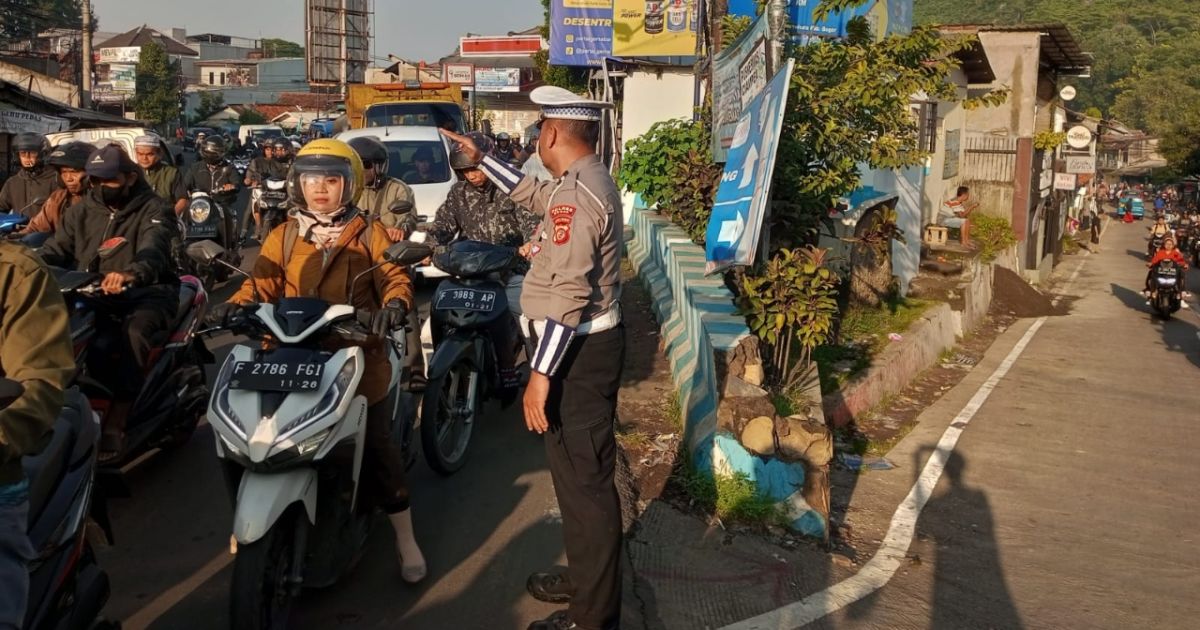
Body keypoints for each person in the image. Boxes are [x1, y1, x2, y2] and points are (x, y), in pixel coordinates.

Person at [443, 85, 624, 630]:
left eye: (537, 131)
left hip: (578, 356)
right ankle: (587, 577)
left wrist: (540, 376)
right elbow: (533, 195)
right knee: (575, 480)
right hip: (584, 348)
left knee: (587, 487)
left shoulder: (577, 196)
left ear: (549, 134)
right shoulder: (582, 180)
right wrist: (486, 160)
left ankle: (593, 617)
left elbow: (570, 293)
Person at [206, 138, 427, 583]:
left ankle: (406, 539)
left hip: (355, 356)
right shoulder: (282, 234)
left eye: (330, 180)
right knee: (248, 435)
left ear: (349, 185)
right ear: (297, 184)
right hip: (288, 353)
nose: (320, 190)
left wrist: (396, 305)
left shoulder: (370, 232)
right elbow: (261, 284)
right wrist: (235, 305)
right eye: (310, 181)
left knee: (380, 446)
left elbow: (394, 277)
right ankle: (256, 516)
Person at [39, 144, 178, 462]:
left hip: (147, 292)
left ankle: (118, 417)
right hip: (93, 291)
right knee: (69, 334)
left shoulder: (154, 208)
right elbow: (56, 247)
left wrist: (132, 273)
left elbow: (154, 247)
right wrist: (27, 263)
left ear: (130, 177)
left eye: (109, 181)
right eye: (96, 181)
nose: (102, 188)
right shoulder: (82, 210)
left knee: (133, 335)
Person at [429, 131, 539, 402]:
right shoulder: (458, 193)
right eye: (464, 170)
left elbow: (529, 223)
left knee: (531, 326)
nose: (471, 175)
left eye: (475, 168)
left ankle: (539, 381)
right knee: (432, 322)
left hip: (510, 271)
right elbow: (443, 225)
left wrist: (528, 246)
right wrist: (430, 244)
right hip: (469, 275)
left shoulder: (510, 190)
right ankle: (438, 379)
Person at [0, 238, 75, 626]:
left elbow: (37, 382)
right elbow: (57, 236)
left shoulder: (13, 272)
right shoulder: (64, 207)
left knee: (134, 330)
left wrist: (133, 273)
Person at [15, 141, 93, 237]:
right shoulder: (58, 197)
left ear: (90, 173)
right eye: (64, 172)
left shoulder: (100, 200)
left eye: (74, 172)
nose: (68, 178)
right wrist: (15, 239)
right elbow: (36, 227)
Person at [348, 136, 417, 241]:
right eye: (354, 164)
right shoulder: (345, 189)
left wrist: (398, 230)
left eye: (365, 164)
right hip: (353, 247)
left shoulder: (397, 189)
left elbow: (407, 218)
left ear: (378, 167)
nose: (360, 169)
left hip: (387, 247)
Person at [182, 135, 240, 242]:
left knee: (227, 215)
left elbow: (236, 183)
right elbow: (185, 185)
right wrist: (185, 192)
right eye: (208, 152)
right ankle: (182, 244)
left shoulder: (229, 168)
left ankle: (228, 248)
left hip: (221, 203)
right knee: (183, 214)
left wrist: (231, 186)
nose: (211, 155)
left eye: (214, 153)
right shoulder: (195, 167)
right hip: (199, 204)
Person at [0, 132, 59, 218]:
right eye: (23, 153)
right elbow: (1, 207)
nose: (27, 157)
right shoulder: (12, 182)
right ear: (17, 156)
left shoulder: (56, 180)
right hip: (19, 230)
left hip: (46, 231)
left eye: (32, 153)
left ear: (42, 155)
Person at [134, 134, 187, 215]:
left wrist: (171, 217)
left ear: (159, 154)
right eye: (140, 154)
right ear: (135, 153)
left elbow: (182, 200)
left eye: (149, 154)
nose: (144, 158)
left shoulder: (172, 173)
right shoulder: (131, 173)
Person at [1145, 236, 1190, 302]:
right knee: (1151, 272)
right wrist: (1150, 263)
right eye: (1167, 244)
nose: (1168, 246)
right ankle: (1151, 291)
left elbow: (1181, 261)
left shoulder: (1175, 253)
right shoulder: (1160, 252)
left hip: (1173, 273)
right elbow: (1154, 260)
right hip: (1161, 272)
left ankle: (1181, 292)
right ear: (1164, 245)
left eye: (1170, 244)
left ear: (1173, 245)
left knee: (1182, 273)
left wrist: (1185, 265)